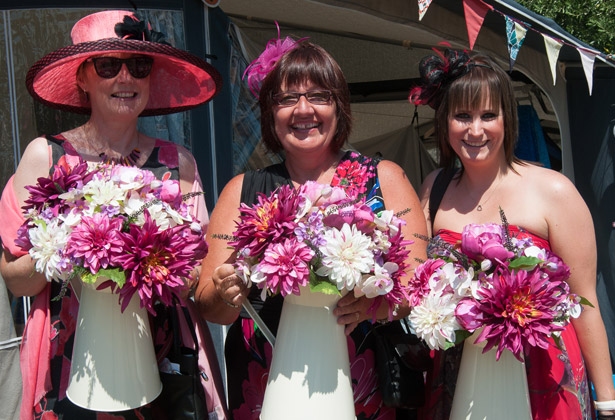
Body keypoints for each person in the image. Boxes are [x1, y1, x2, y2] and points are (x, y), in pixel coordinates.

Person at [0, 10, 228, 420]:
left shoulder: (180, 163)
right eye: (108, 66)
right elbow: (16, 280)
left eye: (138, 66)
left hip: (164, 351)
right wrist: (68, 245)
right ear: (82, 78)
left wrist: (160, 263)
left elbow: (196, 273)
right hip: (68, 355)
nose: (125, 79)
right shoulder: (46, 156)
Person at [195, 35, 428, 419]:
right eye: (287, 99)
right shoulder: (242, 190)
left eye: (319, 96)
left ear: (339, 108)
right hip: (264, 381)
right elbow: (209, 306)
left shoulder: (386, 179)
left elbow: (418, 284)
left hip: (362, 383)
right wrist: (224, 291)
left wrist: (378, 302)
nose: (303, 109)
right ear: (271, 113)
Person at [412, 48, 615, 420]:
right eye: (462, 116)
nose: (475, 130)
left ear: (508, 118)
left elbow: (585, 302)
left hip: (543, 371)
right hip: (457, 372)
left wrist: (608, 403)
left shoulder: (554, 191)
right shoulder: (434, 187)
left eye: (488, 115)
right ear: (445, 123)